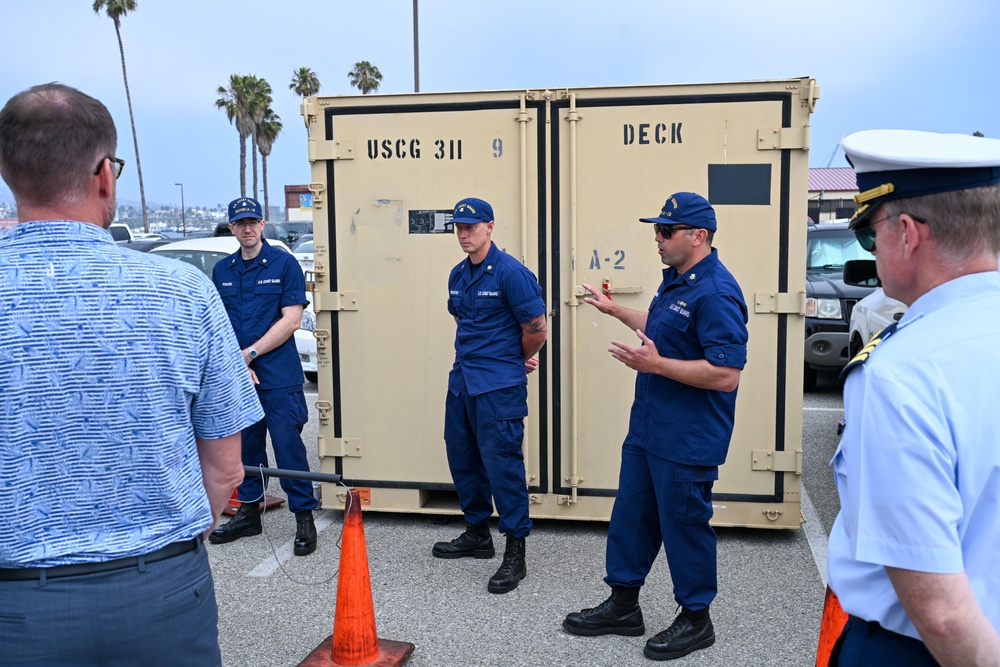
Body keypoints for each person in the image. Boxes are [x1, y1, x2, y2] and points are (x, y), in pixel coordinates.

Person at [0, 83, 263, 666]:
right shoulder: (182, 292)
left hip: (14, 609)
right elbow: (226, 467)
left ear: (11, 174)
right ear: (104, 175)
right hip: (160, 592)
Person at [826, 130, 1000, 666]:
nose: (872, 251)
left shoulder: (902, 372)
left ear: (906, 233)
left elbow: (942, 613)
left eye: (868, 234)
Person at [562, 192, 748, 661]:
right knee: (633, 515)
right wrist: (616, 311)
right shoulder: (678, 282)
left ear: (698, 236)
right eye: (657, 230)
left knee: (684, 524)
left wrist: (657, 366)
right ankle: (624, 605)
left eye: (667, 231)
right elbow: (663, 325)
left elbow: (726, 375)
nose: (657, 239)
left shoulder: (717, 293)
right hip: (649, 427)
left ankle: (696, 618)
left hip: (688, 436)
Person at [432, 197, 547, 594]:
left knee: (503, 467)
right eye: (459, 227)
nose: (464, 234)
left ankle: (515, 552)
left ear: (490, 227)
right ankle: (478, 532)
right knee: (462, 457)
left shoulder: (511, 274)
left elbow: (537, 328)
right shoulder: (458, 275)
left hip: (498, 387)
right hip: (463, 381)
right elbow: (464, 322)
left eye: (472, 226)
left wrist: (514, 360)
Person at [209, 197, 320, 556]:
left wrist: (250, 355)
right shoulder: (223, 270)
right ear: (232, 227)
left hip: (277, 374)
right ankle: (248, 512)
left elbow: (291, 320)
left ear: (262, 223)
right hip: (239, 376)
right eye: (240, 223)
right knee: (248, 447)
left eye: (253, 221)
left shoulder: (284, 264)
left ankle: (303, 515)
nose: (248, 228)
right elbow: (219, 325)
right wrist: (234, 362)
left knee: (288, 447)